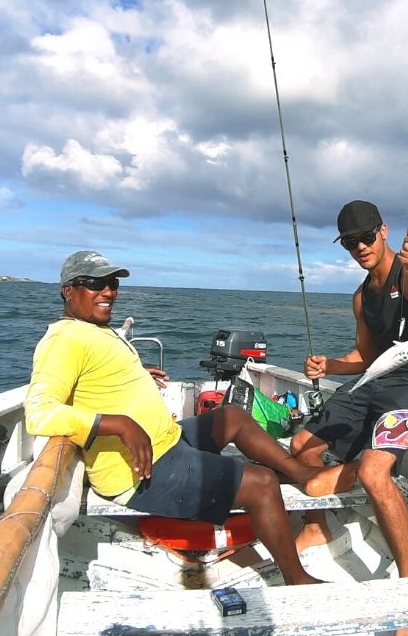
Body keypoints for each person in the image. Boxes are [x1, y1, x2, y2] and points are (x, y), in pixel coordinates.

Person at [24, 249, 348, 586]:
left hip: (166, 441)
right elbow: (40, 412)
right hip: (139, 471)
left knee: (233, 416)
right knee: (262, 483)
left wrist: (134, 373)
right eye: (94, 283)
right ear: (68, 290)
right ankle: (297, 578)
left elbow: (97, 372)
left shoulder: (93, 328)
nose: (108, 291)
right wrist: (118, 423)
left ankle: (302, 473)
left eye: (112, 283)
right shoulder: (63, 339)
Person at [290, 200, 408, 593]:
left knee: (373, 472)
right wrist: (328, 365)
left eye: (365, 237)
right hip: (376, 382)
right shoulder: (361, 297)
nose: (360, 247)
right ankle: (317, 530)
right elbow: (365, 355)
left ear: (383, 231)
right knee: (301, 446)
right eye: (350, 243)